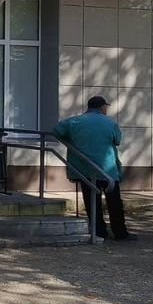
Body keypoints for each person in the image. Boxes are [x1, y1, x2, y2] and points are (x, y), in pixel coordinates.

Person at [53, 96, 136, 241]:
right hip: (107, 169)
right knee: (114, 202)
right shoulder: (110, 123)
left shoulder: (73, 122)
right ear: (102, 107)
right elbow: (117, 140)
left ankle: (99, 232)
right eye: (106, 107)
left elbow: (57, 131)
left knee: (92, 201)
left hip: (84, 168)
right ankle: (120, 233)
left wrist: (70, 142)